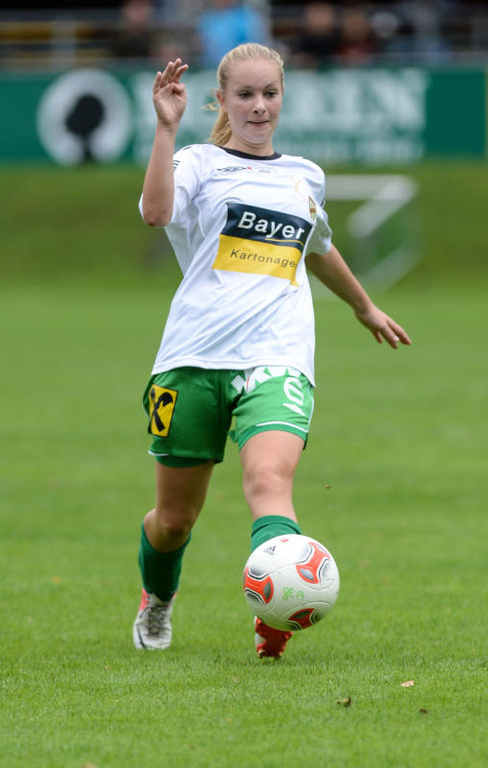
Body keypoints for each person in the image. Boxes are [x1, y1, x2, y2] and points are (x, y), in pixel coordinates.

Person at [132, 43, 411, 659]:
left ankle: (276, 618)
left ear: (282, 97)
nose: (259, 106)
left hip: (279, 357)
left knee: (268, 480)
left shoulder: (304, 175)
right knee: (173, 521)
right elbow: (155, 213)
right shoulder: (197, 162)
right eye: (246, 95)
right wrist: (165, 128)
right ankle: (158, 598)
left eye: (270, 94)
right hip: (193, 358)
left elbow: (319, 247)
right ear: (223, 100)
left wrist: (364, 306)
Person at [197, 0, 269, 68]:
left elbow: (254, 47)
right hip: (211, 68)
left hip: (241, 67)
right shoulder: (207, 19)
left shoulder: (247, 18)